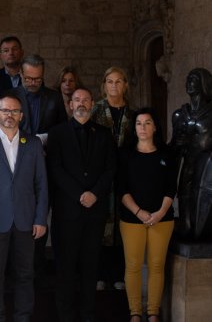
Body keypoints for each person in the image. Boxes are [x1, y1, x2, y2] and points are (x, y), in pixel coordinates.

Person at [0, 93, 48, 322]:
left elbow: (42, 184)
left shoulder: (33, 143)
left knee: (25, 275)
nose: (9, 115)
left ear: (21, 115)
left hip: (27, 221)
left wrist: (40, 218)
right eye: (5, 110)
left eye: (14, 111)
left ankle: (22, 317)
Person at [47, 87, 116, 322]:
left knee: (90, 268)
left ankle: (88, 315)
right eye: (76, 100)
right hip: (67, 212)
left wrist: (94, 194)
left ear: (92, 103)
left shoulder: (105, 134)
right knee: (65, 269)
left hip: (94, 213)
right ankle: (65, 316)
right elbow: (55, 169)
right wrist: (79, 194)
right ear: (69, 104)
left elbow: (110, 169)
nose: (81, 104)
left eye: (85, 99)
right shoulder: (57, 134)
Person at [118, 108, 176, 322]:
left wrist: (160, 212)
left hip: (162, 218)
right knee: (132, 266)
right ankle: (135, 312)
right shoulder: (125, 153)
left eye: (147, 123)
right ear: (134, 128)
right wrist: (139, 212)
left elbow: (171, 187)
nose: (142, 127)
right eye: (139, 123)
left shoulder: (167, 154)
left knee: (156, 266)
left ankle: (153, 313)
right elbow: (122, 188)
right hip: (132, 218)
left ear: (155, 127)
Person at [91, 66, 134, 291]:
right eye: (110, 81)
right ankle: (100, 274)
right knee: (101, 224)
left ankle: (119, 274)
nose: (114, 86)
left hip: (125, 175)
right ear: (104, 84)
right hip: (100, 175)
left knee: (121, 225)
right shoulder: (95, 110)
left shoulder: (133, 113)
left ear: (125, 84)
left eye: (119, 81)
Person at [171, 68, 212, 238]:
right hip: (188, 163)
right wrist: (177, 143)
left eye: (194, 79)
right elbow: (172, 147)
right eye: (188, 78)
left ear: (204, 83)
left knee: (204, 196)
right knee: (185, 195)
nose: (189, 82)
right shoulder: (180, 114)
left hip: (207, 165)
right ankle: (187, 226)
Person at [9, 54, 68, 146]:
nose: (33, 83)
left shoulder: (55, 97)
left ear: (43, 75)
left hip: (46, 153)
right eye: (28, 78)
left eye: (37, 79)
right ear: (20, 73)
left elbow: (63, 128)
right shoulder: (9, 96)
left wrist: (46, 138)